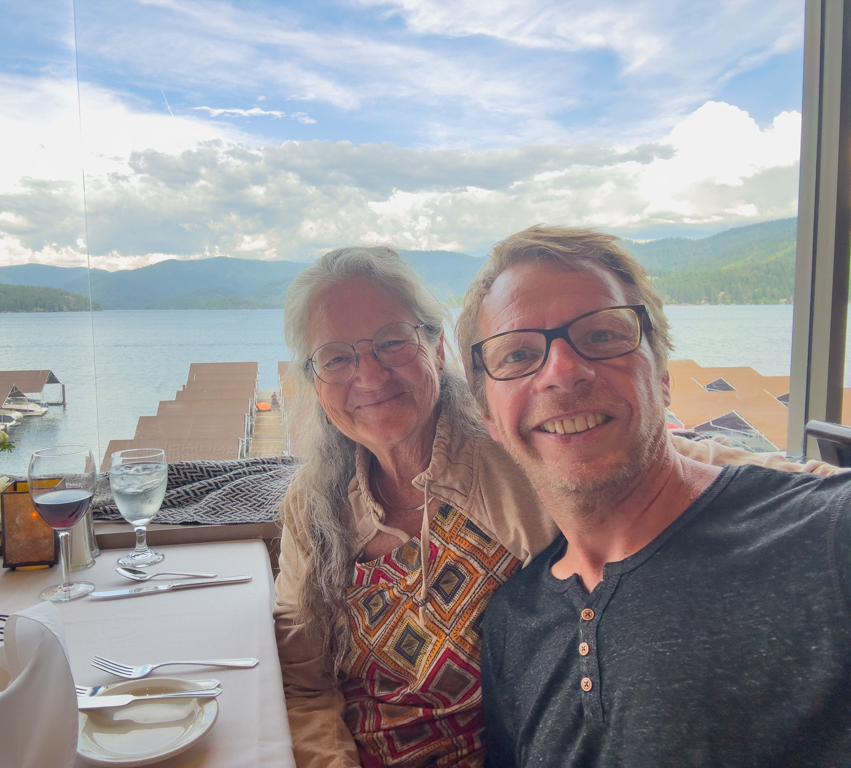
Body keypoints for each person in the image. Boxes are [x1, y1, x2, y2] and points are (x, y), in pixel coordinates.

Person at [272, 244, 835, 768]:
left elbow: (673, 458)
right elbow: (305, 682)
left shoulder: (518, 446)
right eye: (337, 358)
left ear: (436, 347)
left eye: (392, 341)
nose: (369, 374)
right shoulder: (313, 508)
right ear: (316, 383)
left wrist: (815, 479)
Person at [454, 226, 851, 767]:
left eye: (600, 336)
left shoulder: (825, 536)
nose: (563, 371)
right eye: (518, 354)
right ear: (489, 418)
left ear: (662, 377)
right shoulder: (512, 624)